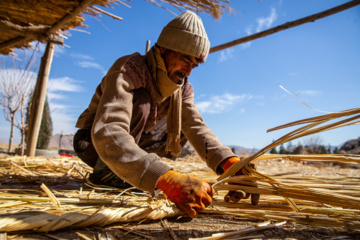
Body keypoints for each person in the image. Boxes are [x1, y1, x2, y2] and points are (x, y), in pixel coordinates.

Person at [74, 11, 259, 218]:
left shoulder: (182, 87)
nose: (188, 71)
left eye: (194, 65)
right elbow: (110, 129)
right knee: (142, 102)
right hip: (96, 145)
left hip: (136, 144)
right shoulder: (129, 69)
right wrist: (167, 180)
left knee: (182, 125)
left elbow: (196, 127)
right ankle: (105, 174)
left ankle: (135, 171)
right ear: (163, 49)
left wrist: (229, 164)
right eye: (184, 59)